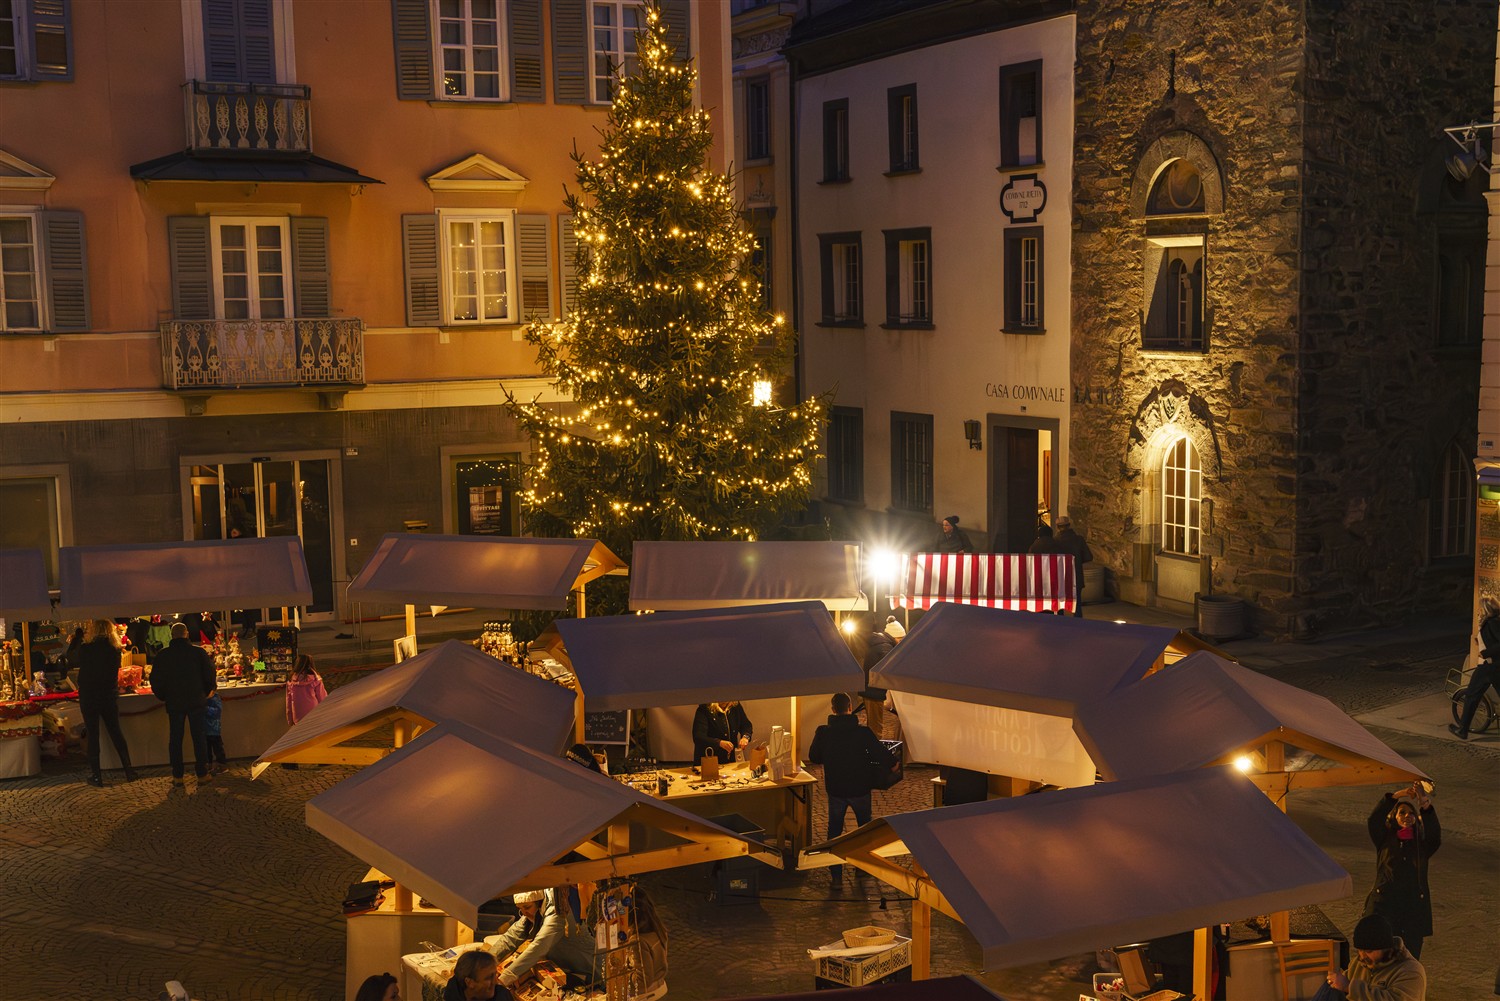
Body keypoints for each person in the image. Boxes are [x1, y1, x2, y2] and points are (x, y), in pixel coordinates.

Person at [808, 692, 897, 885]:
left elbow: (814, 756)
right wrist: (893, 763)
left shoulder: (823, 732)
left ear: (833, 709)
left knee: (834, 831)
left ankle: (836, 876)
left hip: (836, 789)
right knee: (864, 830)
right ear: (850, 708)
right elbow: (880, 754)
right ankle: (862, 868)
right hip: (860, 788)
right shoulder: (862, 733)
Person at [1364, 782, 1440, 959]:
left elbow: (1434, 836)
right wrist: (1398, 795)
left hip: (1412, 913)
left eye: (1411, 813)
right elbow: (1374, 820)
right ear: (1394, 817)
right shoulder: (1385, 840)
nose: (1407, 816)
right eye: (1402, 812)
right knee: (1381, 958)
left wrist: (1424, 803)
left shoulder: (1421, 845)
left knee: (1409, 960)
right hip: (1385, 909)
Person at [491, 888, 603, 990]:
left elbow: (539, 946)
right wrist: (486, 961)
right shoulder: (536, 910)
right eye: (520, 909)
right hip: (567, 971)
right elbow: (511, 937)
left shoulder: (558, 912)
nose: (524, 913)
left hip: (590, 971)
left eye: (527, 907)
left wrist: (505, 978)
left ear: (539, 902)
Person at [151, 621, 217, 785]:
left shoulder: (163, 655)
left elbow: (155, 680)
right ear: (186, 634)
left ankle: (177, 775)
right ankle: (202, 773)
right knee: (199, 737)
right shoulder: (198, 653)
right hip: (196, 700)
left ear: (172, 635)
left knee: (175, 738)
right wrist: (206, 692)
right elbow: (209, 674)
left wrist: (164, 696)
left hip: (174, 701)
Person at [76, 618, 136, 787]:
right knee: (116, 732)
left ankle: (97, 776)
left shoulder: (86, 648)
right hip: (108, 695)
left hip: (89, 695)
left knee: (93, 734)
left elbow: (75, 661)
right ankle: (129, 771)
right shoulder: (114, 650)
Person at [1327, 913, 1426, 1000]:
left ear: (1385, 947)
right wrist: (1336, 982)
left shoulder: (1410, 971)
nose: (1362, 956)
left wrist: (1349, 988)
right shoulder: (1359, 963)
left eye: (1368, 951)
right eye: (1360, 950)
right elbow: (1344, 982)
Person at [1452, 595, 1500, 740]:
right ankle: (1463, 729)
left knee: (1472, 695)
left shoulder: (1492, 623)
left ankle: (1463, 730)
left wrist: (1485, 652)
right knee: (1473, 695)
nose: (1478, 610)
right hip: (1493, 666)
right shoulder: (1494, 621)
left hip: (1488, 666)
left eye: (1480, 607)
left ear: (1486, 608)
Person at [1054, 515, 1093, 617]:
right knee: (1077, 603)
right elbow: (1088, 557)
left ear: (1057, 527)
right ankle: (1078, 622)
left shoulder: (1055, 541)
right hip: (1076, 575)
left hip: (1061, 576)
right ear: (1069, 525)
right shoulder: (1079, 540)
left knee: (1060, 602)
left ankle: (1060, 622)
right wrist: (1078, 561)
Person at [286, 653, 328, 727]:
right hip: (314, 713)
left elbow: (289, 701)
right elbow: (322, 699)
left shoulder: (291, 680)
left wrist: (290, 720)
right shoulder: (316, 679)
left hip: (297, 715)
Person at [203, 690, 228, 774]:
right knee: (207, 749)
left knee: (217, 748)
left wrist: (205, 708)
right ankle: (209, 765)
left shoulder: (214, 697)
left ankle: (221, 765)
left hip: (213, 728)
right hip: (205, 728)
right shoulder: (207, 697)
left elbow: (217, 712)